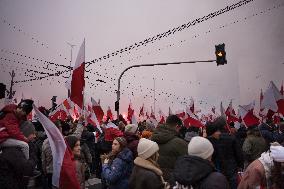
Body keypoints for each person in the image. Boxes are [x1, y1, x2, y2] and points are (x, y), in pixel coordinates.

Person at [0, 120, 37, 189]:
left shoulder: (17, 147)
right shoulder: (13, 150)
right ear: (26, 134)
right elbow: (27, 169)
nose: (35, 136)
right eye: (33, 133)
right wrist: (33, 156)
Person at [151, 115, 188, 183]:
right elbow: (187, 167)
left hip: (152, 180)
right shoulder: (180, 143)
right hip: (172, 182)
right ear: (177, 126)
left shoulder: (150, 139)